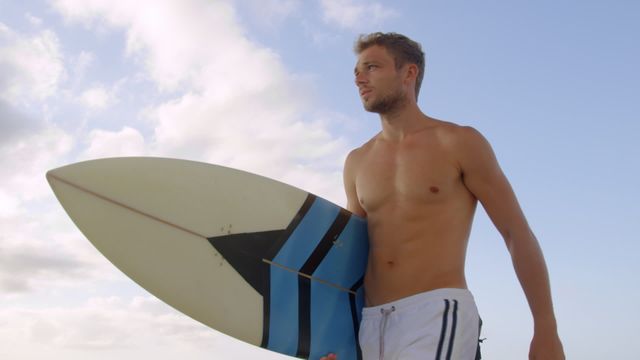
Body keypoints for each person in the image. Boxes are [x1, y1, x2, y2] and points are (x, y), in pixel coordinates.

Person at [321, 33, 565, 360]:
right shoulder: (357, 161)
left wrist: (545, 329)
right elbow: (352, 255)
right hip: (371, 323)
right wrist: (334, 337)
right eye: (356, 72)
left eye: (372, 67)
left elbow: (516, 233)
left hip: (435, 312)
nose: (359, 79)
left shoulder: (459, 142)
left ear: (409, 73)